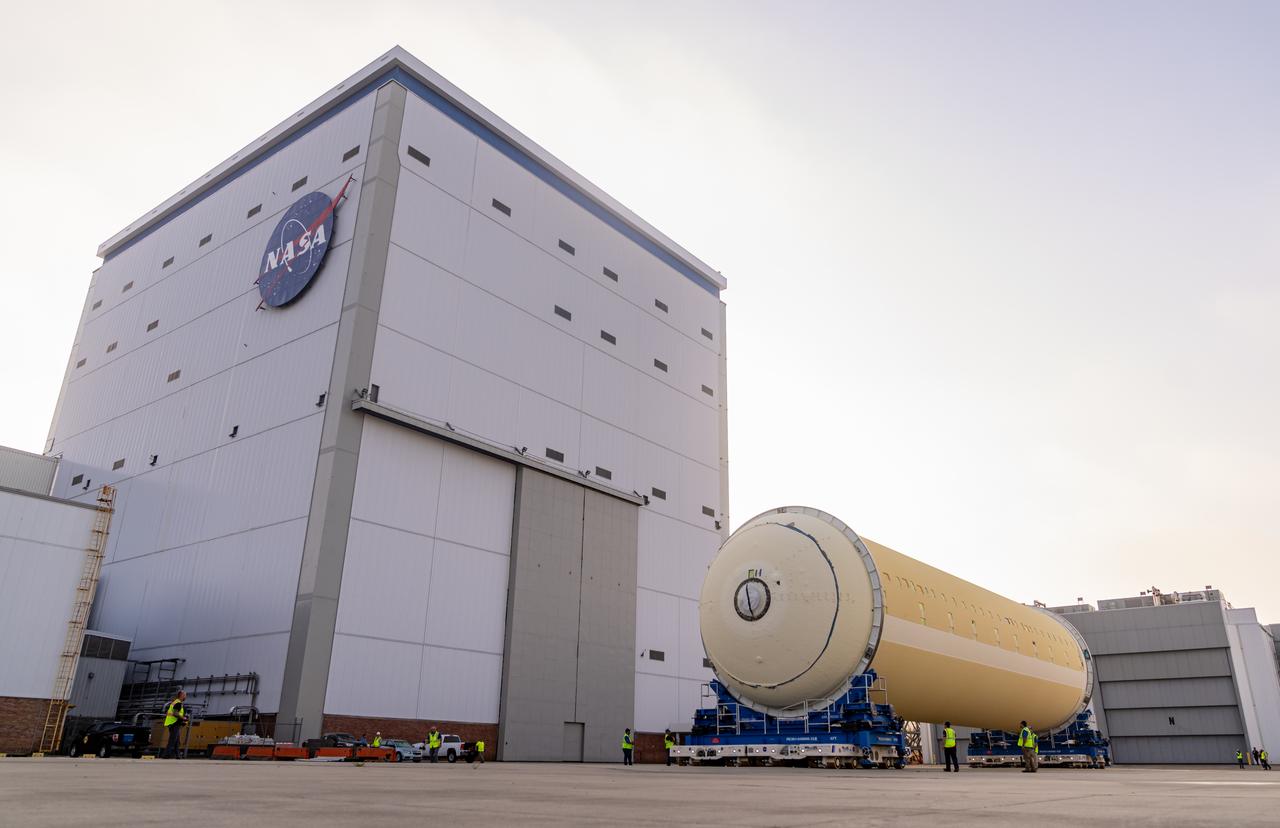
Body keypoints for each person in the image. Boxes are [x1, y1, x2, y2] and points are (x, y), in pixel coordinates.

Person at [161, 690, 187, 759]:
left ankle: (178, 755)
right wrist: (183, 718)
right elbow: (175, 713)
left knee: (176, 741)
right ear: (181, 695)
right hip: (174, 723)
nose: (186, 696)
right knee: (172, 740)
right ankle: (166, 755)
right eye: (185, 695)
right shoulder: (178, 703)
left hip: (173, 723)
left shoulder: (175, 702)